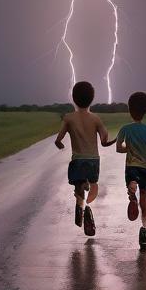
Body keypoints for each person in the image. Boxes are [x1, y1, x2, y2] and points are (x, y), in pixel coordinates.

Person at [55, 80, 115, 236]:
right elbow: (104, 139)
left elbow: (59, 138)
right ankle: (88, 205)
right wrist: (108, 137)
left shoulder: (68, 118)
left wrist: (59, 144)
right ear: (92, 99)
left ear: (73, 98)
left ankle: (80, 205)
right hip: (93, 160)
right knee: (93, 185)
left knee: (78, 186)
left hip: (77, 160)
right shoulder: (95, 118)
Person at [115, 91, 146, 250]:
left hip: (131, 166)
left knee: (133, 183)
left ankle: (131, 189)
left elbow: (119, 149)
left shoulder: (125, 129)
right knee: (145, 196)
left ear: (129, 110)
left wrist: (128, 148)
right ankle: (144, 228)